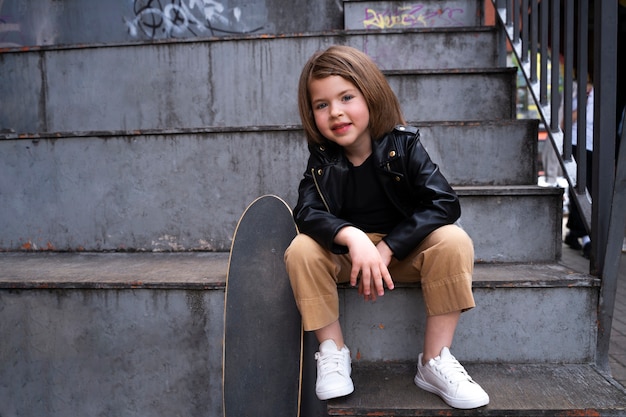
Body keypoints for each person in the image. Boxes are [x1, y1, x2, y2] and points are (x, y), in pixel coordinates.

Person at [284, 45, 489, 410]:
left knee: (454, 240)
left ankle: (434, 360)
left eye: (347, 97)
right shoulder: (322, 160)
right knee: (300, 248)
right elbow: (306, 212)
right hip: (351, 262)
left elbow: (445, 202)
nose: (336, 112)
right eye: (321, 105)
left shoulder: (403, 146)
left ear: (371, 94)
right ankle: (333, 351)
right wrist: (352, 236)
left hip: (403, 258)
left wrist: (390, 245)